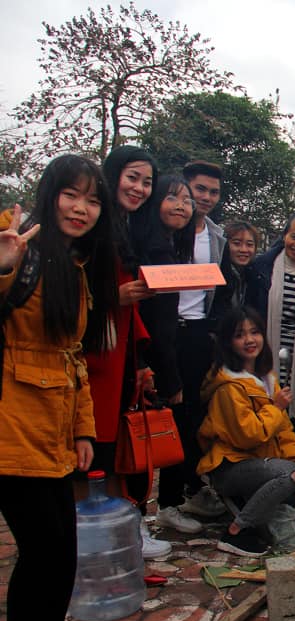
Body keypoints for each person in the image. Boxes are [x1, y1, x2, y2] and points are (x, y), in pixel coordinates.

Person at [0, 155, 118, 621]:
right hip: (10, 427)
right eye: (71, 194)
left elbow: (73, 358)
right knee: (45, 554)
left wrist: (83, 428)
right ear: (50, 196)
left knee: (59, 556)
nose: (81, 208)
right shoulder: (19, 250)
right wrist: (4, 264)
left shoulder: (77, 267)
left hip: (51, 434)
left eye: (92, 200)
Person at [89, 145, 168, 558]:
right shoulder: (92, 228)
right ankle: (97, 534)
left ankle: (125, 527)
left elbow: (129, 303)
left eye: (146, 182)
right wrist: (110, 298)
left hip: (122, 352)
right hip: (93, 355)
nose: (139, 188)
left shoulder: (129, 227)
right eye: (132, 177)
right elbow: (72, 294)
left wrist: (142, 359)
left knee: (120, 442)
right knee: (95, 446)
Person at [197, 307, 295, 557]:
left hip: (261, 461)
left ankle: (250, 502)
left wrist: (292, 461)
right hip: (231, 466)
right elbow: (249, 435)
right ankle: (238, 532)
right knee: (289, 476)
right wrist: (276, 407)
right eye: (240, 335)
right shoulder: (228, 386)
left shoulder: (266, 377)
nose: (249, 340)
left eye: (254, 332)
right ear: (227, 342)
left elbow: (282, 430)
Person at [130, 175, 207, 535]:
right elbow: (158, 320)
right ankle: (141, 517)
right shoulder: (152, 248)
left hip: (166, 348)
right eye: (172, 197)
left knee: (171, 427)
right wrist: (166, 374)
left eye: (186, 200)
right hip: (149, 355)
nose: (181, 205)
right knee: (148, 433)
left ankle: (159, 508)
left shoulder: (170, 245)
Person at [174, 160, 229, 521]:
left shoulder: (216, 235)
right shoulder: (167, 231)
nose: (206, 197)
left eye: (213, 192)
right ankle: (167, 501)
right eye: (200, 190)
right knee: (169, 416)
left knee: (196, 415)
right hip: (166, 331)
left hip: (199, 332)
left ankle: (191, 491)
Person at [247, 213, 295, 426]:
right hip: (264, 350)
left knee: (288, 408)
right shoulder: (261, 266)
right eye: (294, 237)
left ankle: (285, 455)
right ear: (284, 235)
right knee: (261, 405)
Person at [209, 220, 259, 325]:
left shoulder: (255, 276)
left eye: (249, 245)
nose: (243, 250)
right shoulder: (216, 274)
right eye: (237, 243)